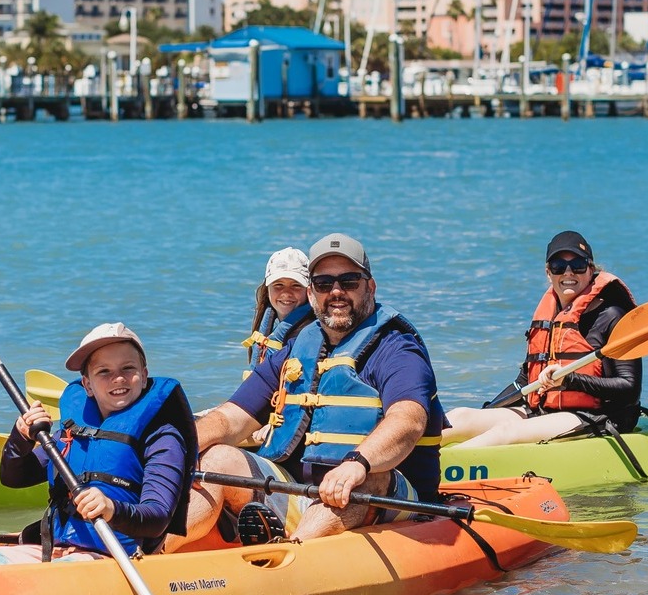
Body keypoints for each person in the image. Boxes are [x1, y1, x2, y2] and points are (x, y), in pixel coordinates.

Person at [172, 233, 446, 547]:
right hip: (303, 494)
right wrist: (178, 450)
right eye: (324, 283)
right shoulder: (295, 350)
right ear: (312, 294)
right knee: (217, 456)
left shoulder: (397, 349)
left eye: (349, 281)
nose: (337, 292)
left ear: (370, 287)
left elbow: (408, 420)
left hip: (388, 499)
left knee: (367, 478)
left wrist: (357, 463)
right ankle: (152, 550)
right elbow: (231, 419)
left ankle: (290, 556)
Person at [0, 323, 197, 562]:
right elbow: (14, 478)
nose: (118, 379)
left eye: (128, 368)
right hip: (53, 547)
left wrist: (111, 508)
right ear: (87, 385)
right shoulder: (74, 432)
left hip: (114, 557)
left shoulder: (162, 438)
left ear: (144, 375)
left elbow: (157, 518)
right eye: (104, 372)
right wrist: (21, 436)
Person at [443, 230, 640, 449]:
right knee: (460, 417)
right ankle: (406, 457)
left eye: (577, 265)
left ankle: (434, 474)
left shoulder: (613, 316)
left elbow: (629, 387)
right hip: (543, 410)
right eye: (558, 266)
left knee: (506, 431)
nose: (568, 273)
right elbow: (525, 381)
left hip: (596, 415)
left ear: (591, 270)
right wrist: (491, 409)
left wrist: (569, 380)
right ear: (548, 273)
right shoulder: (551, 317)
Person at [240, 248, 314, 379]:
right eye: (278, 285)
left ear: (308, 290)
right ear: (267, 289)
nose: (286, 293)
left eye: (296, 285)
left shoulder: (315, 333)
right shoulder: (269, 330)